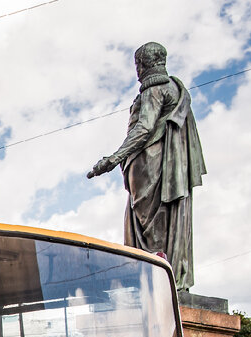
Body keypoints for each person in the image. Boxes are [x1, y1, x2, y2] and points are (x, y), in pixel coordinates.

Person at [87, 41, 205, 292]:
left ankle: (154, 280)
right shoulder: (175, 89)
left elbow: (144, 128)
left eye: (137, 65)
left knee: (151, 226)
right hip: (163, 169)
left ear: (145, 64)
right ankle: (163, 278)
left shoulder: (155, 90)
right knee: (159, 222)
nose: (137, 70)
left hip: (152, 168)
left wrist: (114, 158)